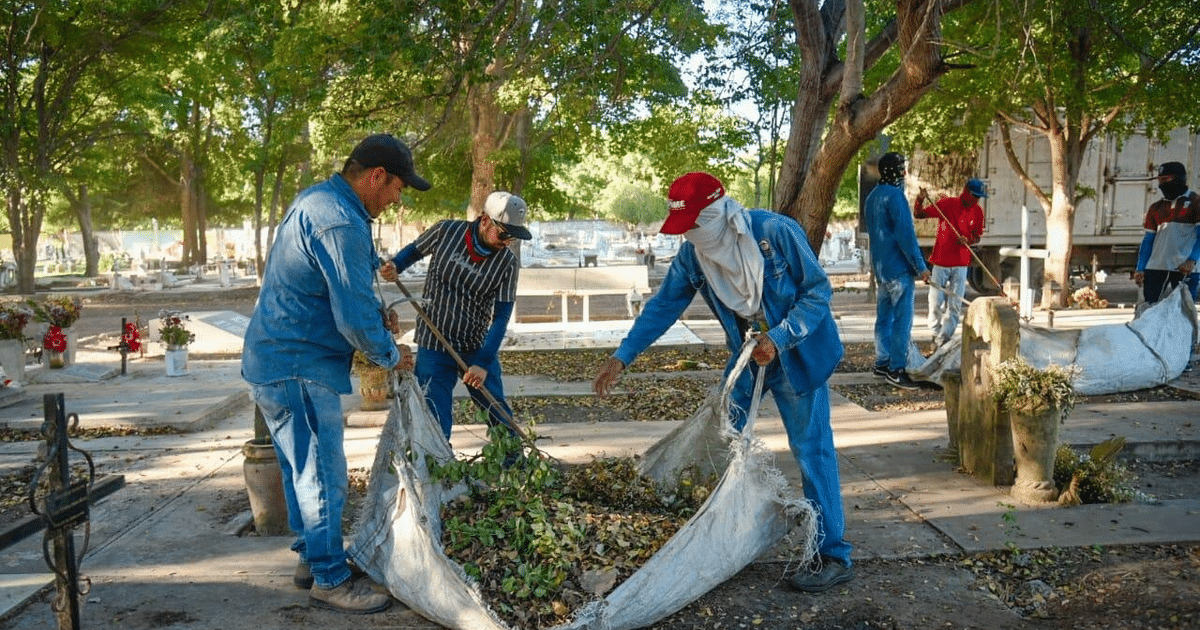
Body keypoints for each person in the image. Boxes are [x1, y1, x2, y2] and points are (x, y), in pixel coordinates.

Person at [592, 172, 854, 593]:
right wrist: (622, 357)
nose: (691, 236)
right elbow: (663, 306)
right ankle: (715, 526)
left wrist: (780, 337)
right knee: (722, 433)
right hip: (748, 356)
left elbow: (818, 293)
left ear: (716, 214)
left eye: (695, 225)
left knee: (812, 450)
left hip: (798, 351)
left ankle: (833, 554)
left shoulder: (774, 233)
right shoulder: (695, 255)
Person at [241, 133, 428, 615]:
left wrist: (378, 315)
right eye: (397, 189)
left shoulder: (322, 203)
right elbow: (351, 314)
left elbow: (350, 291)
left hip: (280, 360)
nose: (395, 199)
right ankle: (330, 580)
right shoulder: (340, 219)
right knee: (323, 475)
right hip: (298, 363)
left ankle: (312, 558)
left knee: (299, 469)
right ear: (376, 176)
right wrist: (391, 353)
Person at [379, 190, 531, 441]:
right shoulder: (445, 232)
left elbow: (501, 317)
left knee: (498, 413)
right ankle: (438, 471)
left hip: (476, 346)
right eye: (503, 234)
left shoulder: (508, 264)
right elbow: (414, 251)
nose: (507, 242)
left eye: (513, 238)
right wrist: (396, 266)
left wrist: (482, 363)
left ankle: (513, 466)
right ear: (484, 220)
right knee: (434, 417)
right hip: (433, 344)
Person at [865, 152, 930, 389]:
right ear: (895, 171)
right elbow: (906, 237)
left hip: (881, 269)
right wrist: (921, 267)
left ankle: (882, 363)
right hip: (899, 270)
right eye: (902, 168)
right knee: (902, 320)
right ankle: (896, 369)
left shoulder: (872, 197)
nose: (904, 173)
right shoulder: (896, 197)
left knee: (884, 318)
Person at [913, 178, 987, 349]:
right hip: (941, 262)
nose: (977, 200)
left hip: (961, 263)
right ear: (966, 191)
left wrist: (968, 239)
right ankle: (936, 333)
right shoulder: (946, 204)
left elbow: (977, 236)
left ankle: (943, 340)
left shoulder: (978, 211)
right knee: (935, 303)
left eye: (979, 197)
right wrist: (920, 199)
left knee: (955, 304)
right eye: (975, 196)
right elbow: (919, 214)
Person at [1134, 161, 1200, 305]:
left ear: (1179, 178)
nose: (1162, 184)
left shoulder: (1196, 202)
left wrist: (1192, 260)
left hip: (1185, 268)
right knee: (1150, 309)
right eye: (1160, 180)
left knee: (1185, 309)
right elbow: (1148, 241)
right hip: (1156, 267)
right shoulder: (1155, 208)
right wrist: (1140, 268)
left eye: (1166, 179)